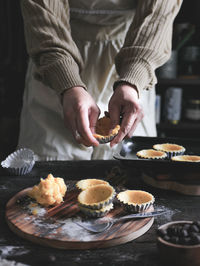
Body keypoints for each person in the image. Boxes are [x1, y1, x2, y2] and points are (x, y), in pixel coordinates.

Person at [18, 0, 182, 161]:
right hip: (53, 58)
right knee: (51, 168)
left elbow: (158, 16)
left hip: (132, 54)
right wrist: (68, 85)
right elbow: (42, 14)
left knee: (129, 174)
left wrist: (132, 82)